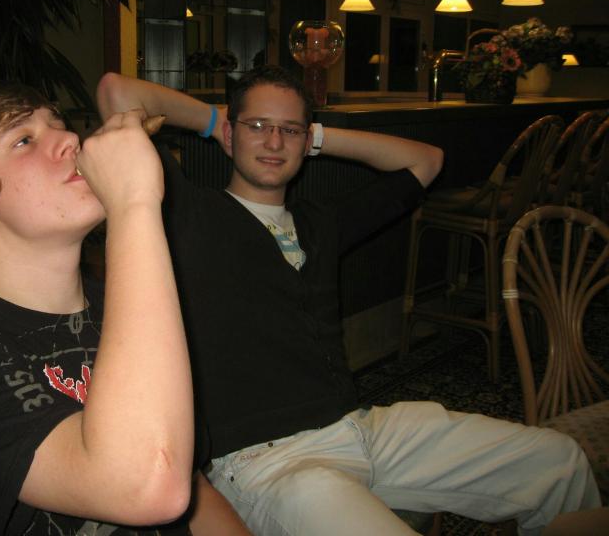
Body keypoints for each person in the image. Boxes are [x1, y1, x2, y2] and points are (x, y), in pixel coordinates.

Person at [96, 66, 603, 536]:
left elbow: (426, 161)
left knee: (559, 462)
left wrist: (313, 136)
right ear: (230, 135)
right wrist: (216, 123)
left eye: (290, 130)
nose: (273, 142)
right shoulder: (189, 214)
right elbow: (117, 92)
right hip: (270, 462)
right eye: (258, 126)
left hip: (363, 429)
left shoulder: (322, 223)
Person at [0, 81, 250, 535]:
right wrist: (133, 202)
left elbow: (192, 487)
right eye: (23, 140)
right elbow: (148, 487)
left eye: (59, 125)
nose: (70, 138)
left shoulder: (130, 307)